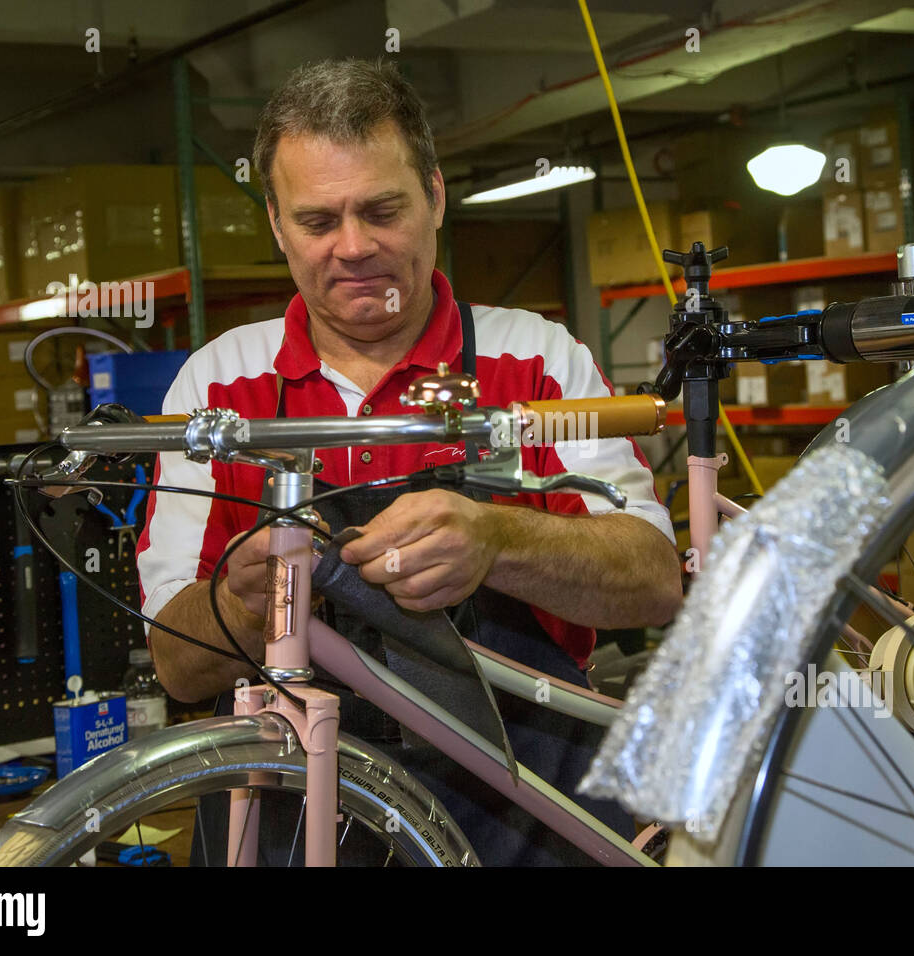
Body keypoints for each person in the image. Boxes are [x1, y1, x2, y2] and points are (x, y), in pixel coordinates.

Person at [135, 57, 682, 866]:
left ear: (434, 196)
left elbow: (652, 579)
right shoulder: (218, 388)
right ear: (277, 225)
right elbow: (177, 668)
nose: (354, 248)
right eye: (319, 221)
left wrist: (498, 542)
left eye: (382, 210)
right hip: (295, 811)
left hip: (523, 808)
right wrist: (241, 599)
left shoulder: (531, 359)